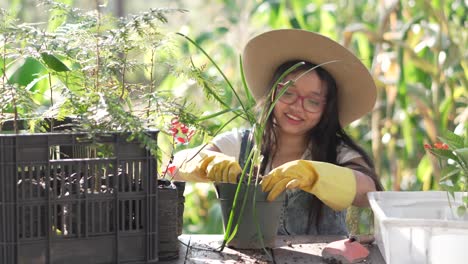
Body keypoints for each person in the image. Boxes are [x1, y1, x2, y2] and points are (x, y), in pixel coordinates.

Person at [171, 29, 384, 236]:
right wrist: (206, 162)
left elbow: (369, 192)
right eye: (288, 93)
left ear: (326, 109)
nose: (297, 106)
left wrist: (315, 174)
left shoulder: (336, 151)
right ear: (272, 93)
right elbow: (172, 167)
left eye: (312, 101)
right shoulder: (242, 143)